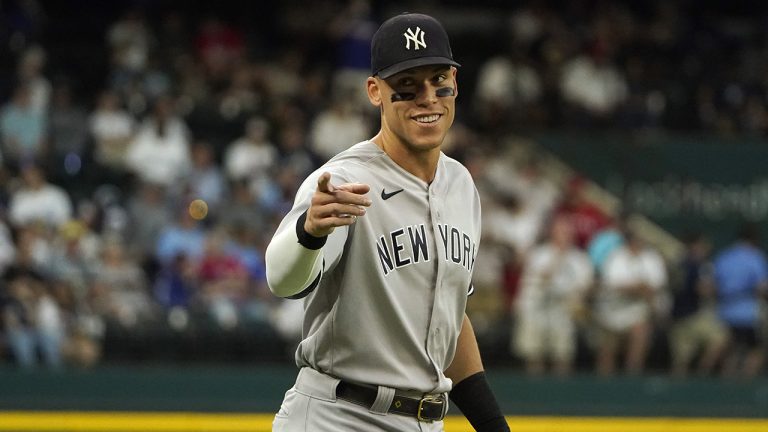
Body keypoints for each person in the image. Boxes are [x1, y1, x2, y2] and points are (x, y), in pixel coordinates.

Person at [265, 13, 509, 432]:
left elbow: (451, 315)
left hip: (426, 420)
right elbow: (283, 282)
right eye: (407, 86)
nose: (427, 98)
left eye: (438, 81)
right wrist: (309, 231)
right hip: (338, 414)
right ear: (375, 91)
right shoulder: (344, 180)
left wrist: (491, 424)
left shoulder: (461, 185)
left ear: (455, 81)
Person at [713, 223, 768, 378]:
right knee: (756, 349)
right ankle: (746, 380)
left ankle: (727, 381)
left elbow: (713, 285)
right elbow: (762, 287)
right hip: (748, 313)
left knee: (732, 350)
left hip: (724, 312)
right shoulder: (755, 257)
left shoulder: (724, 257)